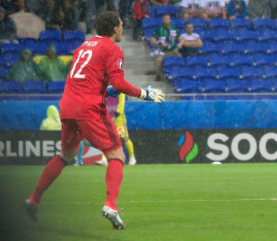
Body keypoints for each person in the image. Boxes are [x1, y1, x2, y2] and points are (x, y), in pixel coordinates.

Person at [22, 12, 166, 229]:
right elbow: (119, 83)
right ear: (115, 29)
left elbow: (83, 78)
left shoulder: (84, 45)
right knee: (116, 153)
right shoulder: (112, 48)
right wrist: (144, 94)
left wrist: (105, 90)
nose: (122, 25)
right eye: (120, 24)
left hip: (69, 106)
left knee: (66, 155)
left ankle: (34, 199)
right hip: (89, 108)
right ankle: (110, 205)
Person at [105, 91, 137, 165]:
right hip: (109, 117)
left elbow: (121, 105)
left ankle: (132, 158)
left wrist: (116, 115)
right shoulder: (106, 89)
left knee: (124, 138)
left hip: (119, 120)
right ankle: (104, 159)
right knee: (107, 138)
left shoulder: (120, 90)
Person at [150, 13, 182, 80]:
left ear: (170, 20)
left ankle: (179, 74)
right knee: (158, 60)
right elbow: (152, 41)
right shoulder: (158, 29)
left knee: (181, 58)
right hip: (163, 51)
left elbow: (181, 39)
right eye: (165, 19)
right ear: (162, 20)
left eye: (168, 19)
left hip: (173, 50)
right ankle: (158, 75)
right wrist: (160, 43)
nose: (166, 20)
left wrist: (180, 43)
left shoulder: (174, 28)